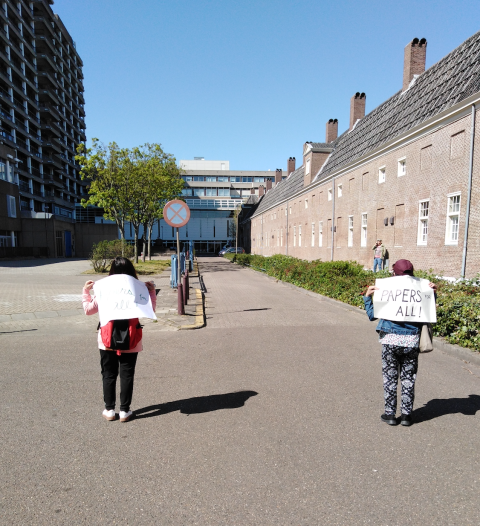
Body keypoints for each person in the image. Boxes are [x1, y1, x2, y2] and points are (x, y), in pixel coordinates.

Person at [364, 259, 437, 426]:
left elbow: (371, 315)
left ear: (394, 273)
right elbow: (429, 313)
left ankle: (390, 414)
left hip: (389, 340)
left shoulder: (387, 287)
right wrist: (432, 293)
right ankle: (406, 416)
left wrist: (368, 296)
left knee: (390, 378)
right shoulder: (421, 288)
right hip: (412, 341)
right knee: (408, 378)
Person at [82, 257, 156, 422]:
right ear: (131, 271)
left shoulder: (104, 289)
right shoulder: (138, 289)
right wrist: (151, 291)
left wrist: (86, 292)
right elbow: (149, 310)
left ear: (112, 272)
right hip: (131, 338)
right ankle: (124, 411)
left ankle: (109, 410)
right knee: (127, 374)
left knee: (108, 374)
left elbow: (88, 310)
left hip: (107, 338)